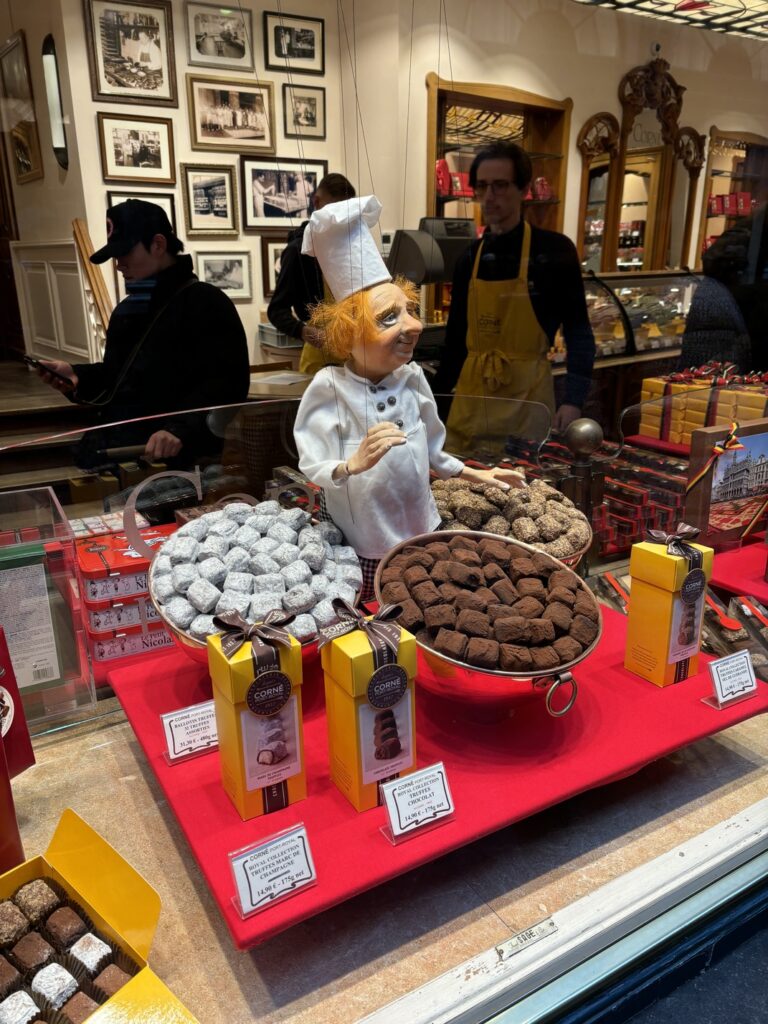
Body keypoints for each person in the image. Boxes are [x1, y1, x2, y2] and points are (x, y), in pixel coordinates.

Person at [293, 196, 524, 598]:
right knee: (376, 609)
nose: (413, 326)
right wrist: (351, 465)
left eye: (408, 311)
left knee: (427, 600)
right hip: (367, 537)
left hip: (422, 523)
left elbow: (433, 450)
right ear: (347, 335)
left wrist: (477, 474)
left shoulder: (412, 377)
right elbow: (312, 461)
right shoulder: (330, 388)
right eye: (389, 317)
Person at [32, 199, 249, 466]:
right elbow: (119, 376)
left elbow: (228, 384)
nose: (118, 264)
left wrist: (179, 429)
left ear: (158, 245)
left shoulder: (205, 302)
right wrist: (77, 375)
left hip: (182, 462)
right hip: (123, 455)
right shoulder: (127, 310)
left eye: (125, 252)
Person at [431, 141, 596, 452]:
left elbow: (578, 331)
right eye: (482, 187)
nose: (490, 196)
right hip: (472, 401)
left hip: (527, 403)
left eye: (500, 185)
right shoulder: (470, 257)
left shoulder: (554, 252)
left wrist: (574, 400)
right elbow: (455, 341)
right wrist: (433, 402)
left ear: (523, 189)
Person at [267, 172, 356, 375]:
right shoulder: (297, 251)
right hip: (319, 357)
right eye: (335, 211)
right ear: (317, 202)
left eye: (346, 213)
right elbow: (276, 310)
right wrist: (303, 331)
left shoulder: (350, 247)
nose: (340, 219)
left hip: (354, 354)